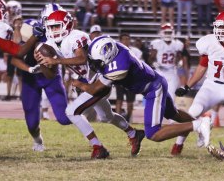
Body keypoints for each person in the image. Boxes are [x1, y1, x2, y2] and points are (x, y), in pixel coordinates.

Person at [35, 10, 145, 159]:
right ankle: (134, 133)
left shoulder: (76, 37)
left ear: (66, 25)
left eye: (56, 26)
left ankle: (98, 147)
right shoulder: (49, 44)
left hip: (99, 79)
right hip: (85, 80)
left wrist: (56, 61)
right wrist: (42, 63)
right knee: (107, 117)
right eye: (50, 27)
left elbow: (82, 59)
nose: (52, 30)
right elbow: (51, 75)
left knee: (72, 112)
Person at [71, 35, 211, 148]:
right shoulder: (114, 49)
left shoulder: (119, 67)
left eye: (97, 61)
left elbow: (95, 89)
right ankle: (199, 125)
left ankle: (199, 125)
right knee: (173, 113)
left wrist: (76, 82)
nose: (94, 64)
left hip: (153, 89)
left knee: (153, 133)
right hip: (156, 81)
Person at [170, 10, 224, 161]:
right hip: (211, 87)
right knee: (192, 113)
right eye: (219, 27)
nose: (221, 31)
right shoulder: (208, 41)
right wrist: (187, 86)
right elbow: (202, 67)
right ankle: (178, 144)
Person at [10, 4, 72, 152]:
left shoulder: (65, 33)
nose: (56, 27)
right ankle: (38, 141)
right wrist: (30, 69)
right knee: (31, 122)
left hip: (51, 76)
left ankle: (90, 132)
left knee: (64, 119)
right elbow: (14, 55)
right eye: (53, 22)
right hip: (31, 78)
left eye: (59, 23)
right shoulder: (31, 27)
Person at [149, 23, 183, 101]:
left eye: (169, 32)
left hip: (172, 73)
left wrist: (179, 62)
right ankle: (158, 112)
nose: (168, 34)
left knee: (171, 96)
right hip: (160, 72)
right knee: (158, 95)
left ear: (173, 33)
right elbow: (151, 58)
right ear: (162, 33)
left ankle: (169, 112)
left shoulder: (177, 44)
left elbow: (178, 57)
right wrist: (154, 63)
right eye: (166, 32)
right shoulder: (157, 43)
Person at [115, 33, 140, 122]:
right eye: (124, 39)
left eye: (128, 39)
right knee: (119, 100)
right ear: (120, 40)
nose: (126, 41)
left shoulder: (136, 51)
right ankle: (117, 120)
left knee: (130, 102)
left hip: (131, 79)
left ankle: (128, 119)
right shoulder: (116, 51)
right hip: (120, 78)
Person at [3, 0, 23, 101]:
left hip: (19, 53)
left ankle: (21, 94)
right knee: (9, 75)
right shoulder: (8, 27)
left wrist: (17, 28)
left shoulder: (22, 29)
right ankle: (8, 93)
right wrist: (5, 54)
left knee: (20, 75)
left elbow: (19, 40)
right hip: (11, 53)